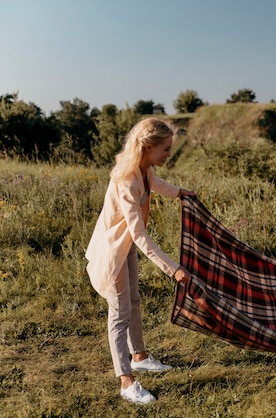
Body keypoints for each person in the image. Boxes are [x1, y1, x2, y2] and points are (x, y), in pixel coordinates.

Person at [85, 118, 195, 405]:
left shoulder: (143, 170)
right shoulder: (126, 180)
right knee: (119, 313)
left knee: (133, 301)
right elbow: (140, 235)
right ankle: (126, 381)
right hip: (113, 251)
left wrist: (180, 193)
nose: (168, 154)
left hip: (126, 247)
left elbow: (155, 184)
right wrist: (173, 269)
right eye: (165, 149)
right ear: (147, 147)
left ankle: (140, 357)